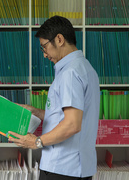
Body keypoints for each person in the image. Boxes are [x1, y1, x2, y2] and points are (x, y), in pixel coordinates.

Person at [9, 15, 100, 180]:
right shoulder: (86, 68)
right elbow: (73, 117)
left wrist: (36, 142)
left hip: (62, 168)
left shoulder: (70, 73)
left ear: (59, 39)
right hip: (78, 168)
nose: (44, 55)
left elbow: (72, 124)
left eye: (44, 47)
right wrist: (36, 111)